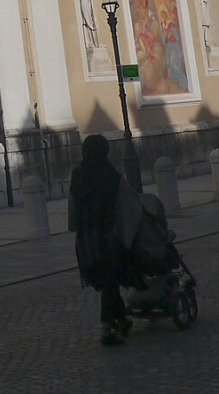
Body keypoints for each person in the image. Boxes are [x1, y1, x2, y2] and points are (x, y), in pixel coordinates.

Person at [67, 134, 139, 347]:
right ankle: (106, 329)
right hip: (108, 238)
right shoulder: (112, 177)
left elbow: (72, 209)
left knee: (109, 281)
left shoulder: (77, 176)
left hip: (86, 241)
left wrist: (75, 227)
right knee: (110, 281)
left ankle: (123, 320)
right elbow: (128, 208)